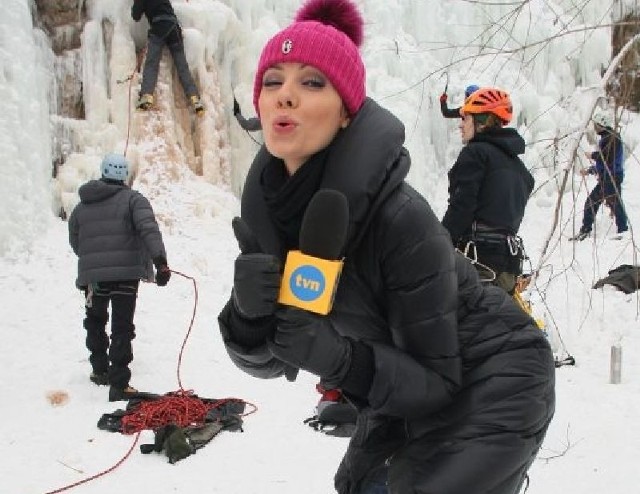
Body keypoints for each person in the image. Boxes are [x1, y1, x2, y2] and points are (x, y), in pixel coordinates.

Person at [217, 1, 555, 493]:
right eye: (273, 82)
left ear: (347, 115)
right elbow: (277, 358)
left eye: (311, 82)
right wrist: (248, 323)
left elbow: (436, 383)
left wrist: (339, 358)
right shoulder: (274, 214)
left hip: (499, 375)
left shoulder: (400, 219)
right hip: (406, 382)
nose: (284, 96)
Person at [68, 153, 171, 402]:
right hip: (126, 275)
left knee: (95, 321)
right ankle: (119, 384)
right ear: (124, 175)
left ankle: (100, 369)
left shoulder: (82, 206)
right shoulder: (134, 200)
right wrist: (161, 262)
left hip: (94, 277)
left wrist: (94, 260)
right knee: (122, 327)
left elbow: (75, 240)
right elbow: (148, 229)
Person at [441, 88, 534, 295]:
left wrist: (438, 245)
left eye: (465, 118)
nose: (460, 124)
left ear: (482, 122)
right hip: (508, 269)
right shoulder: (521, 171)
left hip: (476, 266)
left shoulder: (475, 154)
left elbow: (461, 208)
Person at [131, 0, 204, 115]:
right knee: (182, 66)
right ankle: (195, 98)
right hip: (174, 28)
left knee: (152, 62)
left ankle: (147, 95)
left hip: (159, 27)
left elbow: (136, 16)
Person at [570, 108, 628, 241]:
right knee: (609, 203)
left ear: (601, 125)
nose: (594, 127)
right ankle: (622, 230)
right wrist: (591, 170)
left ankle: (622, 231)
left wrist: (593, 155)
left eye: (596, 124)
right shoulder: (608, 137)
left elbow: (606, 158)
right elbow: (605, 163)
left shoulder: (611, 138)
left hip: (611, 178)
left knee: (606, 203)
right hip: (609, 177)